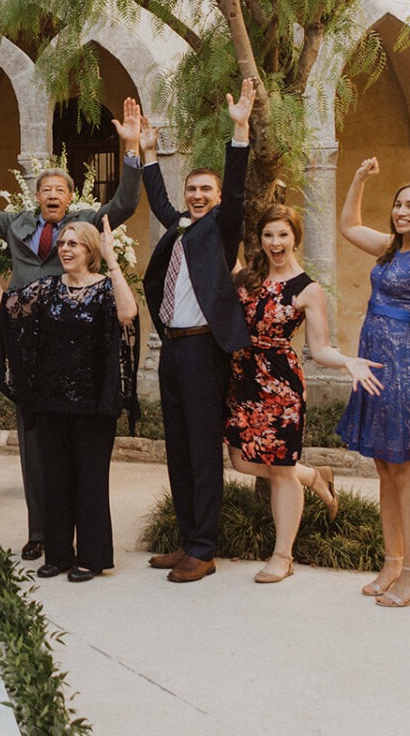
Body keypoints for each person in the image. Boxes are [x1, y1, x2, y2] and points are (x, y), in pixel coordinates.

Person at [0, 99, 144, 562]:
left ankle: (76, 537)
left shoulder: (85, 225)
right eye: (46, 189)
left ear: (71, 199)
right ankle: (40, 532)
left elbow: (126, 202)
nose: (53, 195)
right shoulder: (14, 224)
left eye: (60, 191)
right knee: (35, 444)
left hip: (75, 342)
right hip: (28, 341)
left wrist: (130, 150)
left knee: (74, 446)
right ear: (37, 196)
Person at [226, 206, 383, 584]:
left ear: (295, 237)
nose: (275, 243)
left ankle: (283, 556)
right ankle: (314, 476)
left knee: (280, 472)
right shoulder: (247, 276)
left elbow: (320, 347)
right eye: (268, 235)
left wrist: (347, 362)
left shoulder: (307, 289)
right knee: (240, 462)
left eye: (283, 235)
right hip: (241, 378)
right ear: (260, 240)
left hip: (279, 384)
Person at [139, 79, 255, 583]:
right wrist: (145, 153)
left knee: (204, 449)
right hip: (174, 349)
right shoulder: (181, 226)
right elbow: (160, 201)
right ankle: (187, 540)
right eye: (193, 190)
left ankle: (204, 549)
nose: (199, 195)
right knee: (179, 446)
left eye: (205, 190)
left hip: (206, 349)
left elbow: (235, 188)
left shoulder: (221, 228)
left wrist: (240, 132)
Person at [0, 218, 139, 582]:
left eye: (74, 244)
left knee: (90, 480)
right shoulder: (48, 289)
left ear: (91, 251)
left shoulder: (104, 288)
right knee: (54, 478)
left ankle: (92, 556)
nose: (66, 249)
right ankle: (58, 554)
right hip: (53, 400)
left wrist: (114, 262)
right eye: (63, 244)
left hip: (93, 404)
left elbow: (128, 313)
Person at [337, 158, 410, 606]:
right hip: (375, 361)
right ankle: (392, 561)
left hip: (404, 364)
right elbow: (349, 226)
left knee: (405, 469)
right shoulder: (391, 248)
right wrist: (359, 178)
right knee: (384, 466)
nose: (402, 211)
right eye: (399, 204)